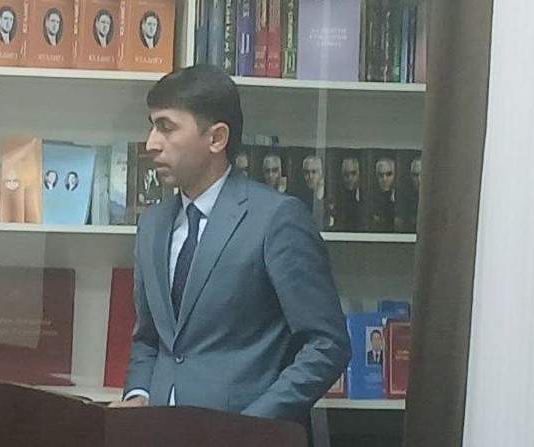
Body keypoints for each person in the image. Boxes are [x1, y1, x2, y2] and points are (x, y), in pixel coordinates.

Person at [109, 65, 350, 437]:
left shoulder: (276, 219)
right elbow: (149, 338)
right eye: (152, 127)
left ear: (217, 138)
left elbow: (327, 345)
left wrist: (250, 426)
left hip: (247, 437)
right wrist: (139, 395)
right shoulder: (153, 224)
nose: (151, 143)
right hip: (159, 433)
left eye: (166, 128)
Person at [334, 156, 363, 231]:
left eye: (353, 173)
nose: (350, 178)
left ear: (359, 174)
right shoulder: (336, 200)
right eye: (346, 174)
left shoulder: (367, 199)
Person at [369, 158, 396, 232]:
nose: (384, 179)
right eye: (381, 175)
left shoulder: (402, 201)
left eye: (388, 174)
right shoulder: (370, 201)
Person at [301, 154, 325, 229]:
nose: (310, 177)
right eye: (307, 172)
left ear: (322, 174)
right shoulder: (300, 198)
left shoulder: (330, 196)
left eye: (314, 172)